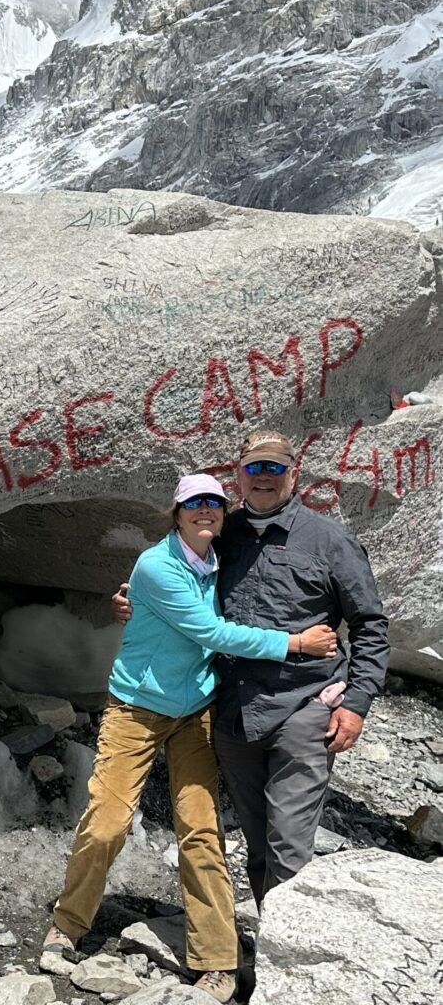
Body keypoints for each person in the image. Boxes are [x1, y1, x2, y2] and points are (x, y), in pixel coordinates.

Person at [45, 472, 338, 1004]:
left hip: (196, 711)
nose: (206, 511)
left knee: (201, 832)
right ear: (176, 512)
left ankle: (217, 960)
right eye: (193, 503)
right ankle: (67, 923)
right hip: (136, 709)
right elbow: (211, 632)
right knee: (108, 822)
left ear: (223, 513)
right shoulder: (157, 565)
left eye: (214, 503)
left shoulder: (219, 555)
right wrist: (295, 642)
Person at [112, 430, 389, 907]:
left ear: (294, 475)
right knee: (257, 843)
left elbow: (370, 624)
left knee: (288, 847)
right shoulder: (222, 529)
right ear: (238, 475)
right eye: (254, 469)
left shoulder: (331, 541)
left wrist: (357, 703)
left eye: (275, 469)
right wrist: (132, 600)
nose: (264, 478)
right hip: (235, 709)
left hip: (306, 707)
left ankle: (288, 966)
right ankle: (266, 949)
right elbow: (174, 576)